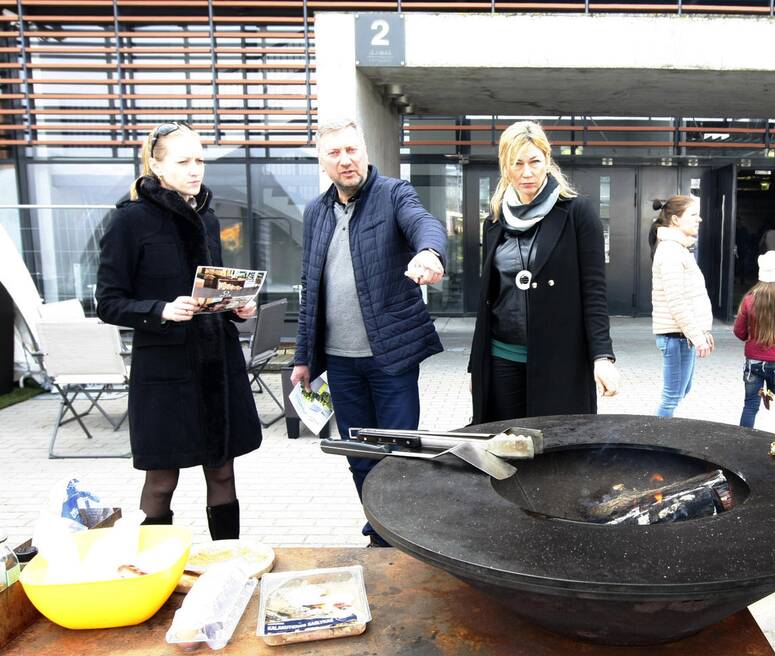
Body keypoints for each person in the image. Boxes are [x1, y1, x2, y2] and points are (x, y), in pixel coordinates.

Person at [96, 121, 262, 539]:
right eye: (184, 161)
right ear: (156, 164)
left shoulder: (207, 218)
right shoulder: (128, 222)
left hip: (218, 367)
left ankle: (228, 565)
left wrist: (236, 308)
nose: (196, 169)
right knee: (161, 481)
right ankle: (149, 574)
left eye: (200, 160)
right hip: (164, 372)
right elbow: (107, 302)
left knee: (223, 474)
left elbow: (211, 288)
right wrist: (162, 310)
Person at [291, 118, 446, 547]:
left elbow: (423, 223)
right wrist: (304, 357)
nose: (346, 160)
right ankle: (380, 530)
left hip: (390, 358)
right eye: (335, 153)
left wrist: (430, 252)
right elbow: (310, 288)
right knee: (360, 457)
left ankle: (403, 531)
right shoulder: (315, 212)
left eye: (352, 149)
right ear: (322, 162)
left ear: (364, 151)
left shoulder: (394, 194)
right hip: (340, 364)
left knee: (399, 454)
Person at [469, 120, 619, 423]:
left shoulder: (577, 213)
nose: (527, 172)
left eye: (535, 161)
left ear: (547, 161)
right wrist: (477, 366)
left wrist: (602, 357)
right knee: (505, 449)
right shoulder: (495, 220)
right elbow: (490, 298)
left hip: (559, 359)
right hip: (501, 358)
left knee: (557, 452)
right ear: (505, 166)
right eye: (517, 163)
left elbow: (594, 292)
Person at [648, 195, 714, 417]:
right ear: (675, 220)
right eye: (694, 215)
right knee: (671, 398)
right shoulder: (670, 251)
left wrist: (702, 330)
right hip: (675, 337)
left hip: (681, 336)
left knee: (680, 392)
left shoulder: (679, 249)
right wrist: (697, 336)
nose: (700, 219)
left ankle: (657, 441)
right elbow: (676, 301)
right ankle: (654, 445)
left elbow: (691, 297)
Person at [733, 251, 775, 428]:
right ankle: (769, 394)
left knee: (750, 406)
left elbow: (739, 332)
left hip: (753, 363)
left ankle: (742, 444)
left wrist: (751, 335)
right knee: (774, 394)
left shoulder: (749, 300)